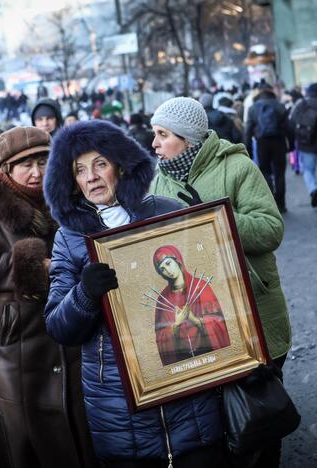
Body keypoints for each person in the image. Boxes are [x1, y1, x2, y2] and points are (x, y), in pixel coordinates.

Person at [44, 120, 226, 467]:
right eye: (80, 170)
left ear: (120, 165)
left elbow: (215, 289)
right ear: (71, 182)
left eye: (100, 164)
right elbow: (58, 326)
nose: (92, 177)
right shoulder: (68, 238)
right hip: (118, 405)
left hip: (186, 387)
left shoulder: (164, 211)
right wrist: (84, 294)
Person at [148, 97, 291, 467]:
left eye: (162, 135)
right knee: (218, 427)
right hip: (204, 324)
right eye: (155, 134)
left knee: (262, 417)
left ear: (188, 138)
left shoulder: (238, 167)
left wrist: (216, 219)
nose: (154, 144)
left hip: (252, 314)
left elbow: (271, 229)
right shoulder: (158, 180)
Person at [0, 126, 97, 468]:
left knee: (76, 416)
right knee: (27, 430)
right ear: (6, 169)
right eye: (26, 165)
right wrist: (31, 264)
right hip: (17, 335)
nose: (36, 172)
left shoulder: (70, 198)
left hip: (70, 321)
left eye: (43, 161)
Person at [152, 245, 230, 366]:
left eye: (168, 263)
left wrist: (196, 320)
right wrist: (176, 325)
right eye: (162, 269)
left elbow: (219, 322)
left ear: (177, 260)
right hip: (182, 358)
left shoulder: (200, 286)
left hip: (208, 351)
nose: (167, 270)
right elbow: (160, 337)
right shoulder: (163, 299)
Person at [244, 83, 292, 213]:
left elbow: (248, 130)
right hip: (279, 142)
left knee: (265, 173)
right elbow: (288, 127)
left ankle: (272, 204)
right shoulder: (279, 105)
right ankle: (281, 204)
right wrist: (291, 144)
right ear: (271, 91)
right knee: (280, 174)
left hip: (262, 143)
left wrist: (247, 148)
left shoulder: (253, 108)